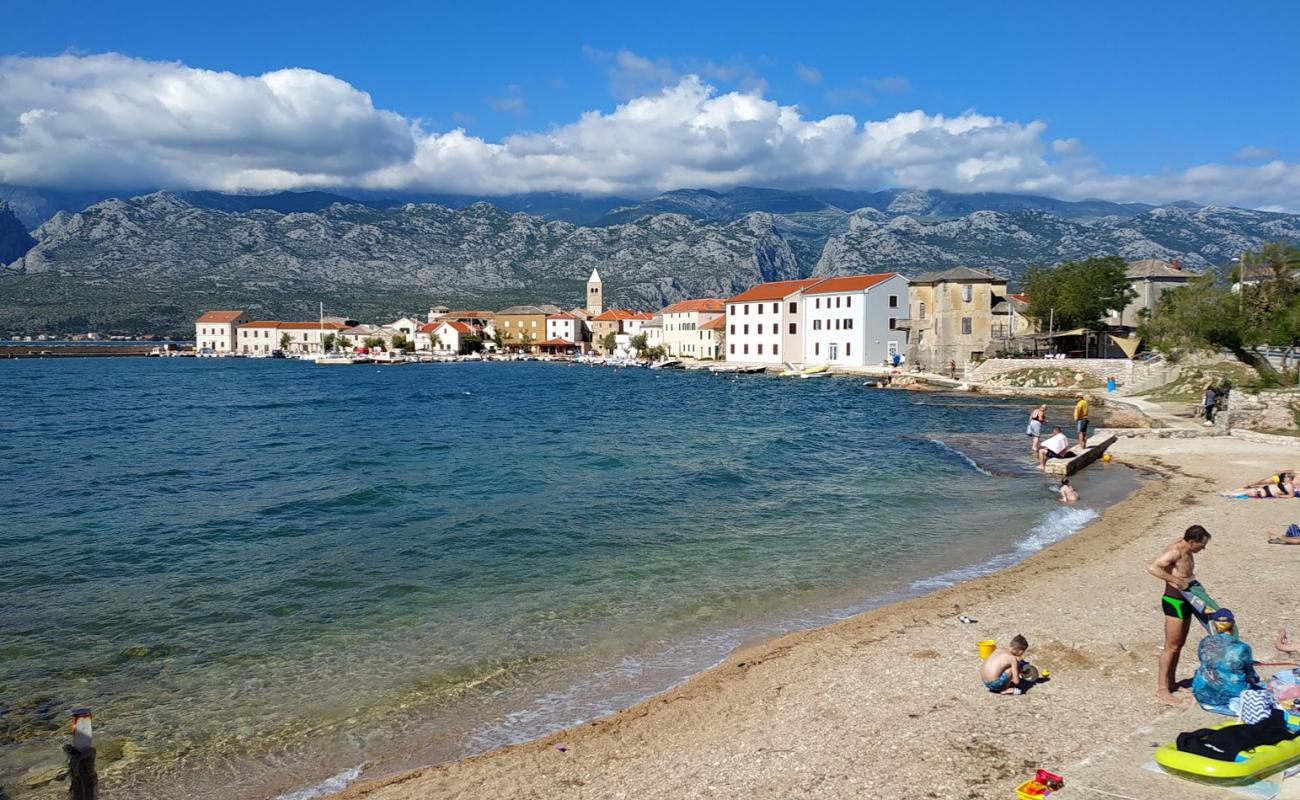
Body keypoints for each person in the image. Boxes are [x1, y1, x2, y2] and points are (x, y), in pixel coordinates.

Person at [1148, 525, 1212, 705]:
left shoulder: (1186, 549)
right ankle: (1162, 689)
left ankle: (1172, 683)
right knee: (1171, 646)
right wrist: (1176, 580)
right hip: (1174, 602)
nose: (1203, 548)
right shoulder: (1175, 551)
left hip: (1187, 600)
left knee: (1179, 645)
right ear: (1192, 542)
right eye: (1202, 545)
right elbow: (1153, 568)